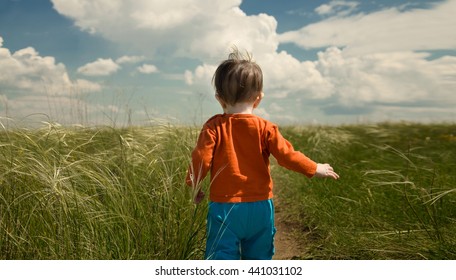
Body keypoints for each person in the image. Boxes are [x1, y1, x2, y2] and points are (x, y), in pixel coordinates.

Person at [186, 48, 339, 260]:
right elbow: (287, 156)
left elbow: (201, 158)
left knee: (220, 255)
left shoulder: (213, 127)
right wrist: (314, 168)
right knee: (260, 256)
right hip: (260, 207)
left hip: (225, 207)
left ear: (220, 99)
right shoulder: (266, 128)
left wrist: (194, 185)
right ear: (258, 99)